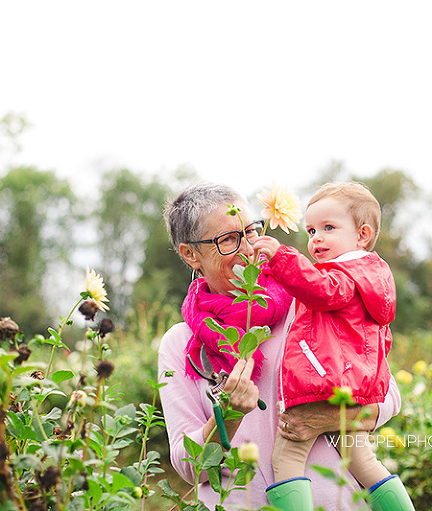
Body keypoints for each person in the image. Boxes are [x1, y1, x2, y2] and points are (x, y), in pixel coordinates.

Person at [158, 183, 402, 510]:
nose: (249, 248)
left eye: (251, 231)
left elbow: (388, 397)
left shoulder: (307, 307)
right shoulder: (180, 344)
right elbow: (189, 468)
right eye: (228, 239)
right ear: (191, 254)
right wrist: (227, 416)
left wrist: (331, 417)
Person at [254, 181, 415, 510]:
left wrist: (281, 258)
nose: (317, 238)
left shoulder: (344, 275)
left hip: (322, 383)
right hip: (354, 390)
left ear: (362, 235)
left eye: (329, 228)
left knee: (287, 458)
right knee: (363, 461)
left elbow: (321, 290)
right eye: (311, 230)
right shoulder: (373, 277)